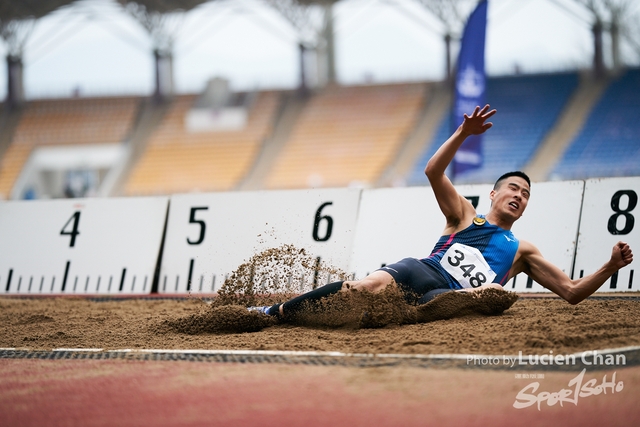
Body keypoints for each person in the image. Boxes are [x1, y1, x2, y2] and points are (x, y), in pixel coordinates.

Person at [250, 105, 634, 318]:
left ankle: (463, 300)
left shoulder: (523, 252)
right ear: (494, 194)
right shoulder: (465, 215)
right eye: (513, 189)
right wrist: (463, 134)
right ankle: (274, 311)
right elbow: (433, 170)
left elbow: (570, 292)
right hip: (423, 270)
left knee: (491, 291)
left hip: (446, 297)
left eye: (527, 194)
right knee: (362, 289)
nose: (519, 196)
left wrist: (610, 267)